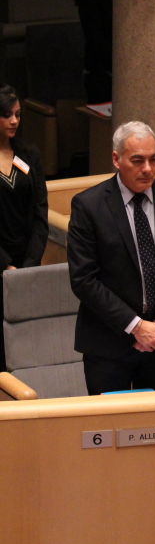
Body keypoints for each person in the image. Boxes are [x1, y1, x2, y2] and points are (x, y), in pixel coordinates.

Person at [66, 122, 155, 394]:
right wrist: (136, 327)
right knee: (109, 428)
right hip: (109, 341)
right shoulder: (89, 206)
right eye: (138, 160)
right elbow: (84, 280)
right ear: (116, 159)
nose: (148, 169)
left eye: (154, 159)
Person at [0, 85, 49, 368]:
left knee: (26, 339)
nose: (14, 121)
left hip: (27, 262)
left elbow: (40, 212)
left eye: (17, 114)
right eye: (6, 115)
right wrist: (5, 265)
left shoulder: (29, 154)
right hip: (2, 261)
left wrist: (30, 263)